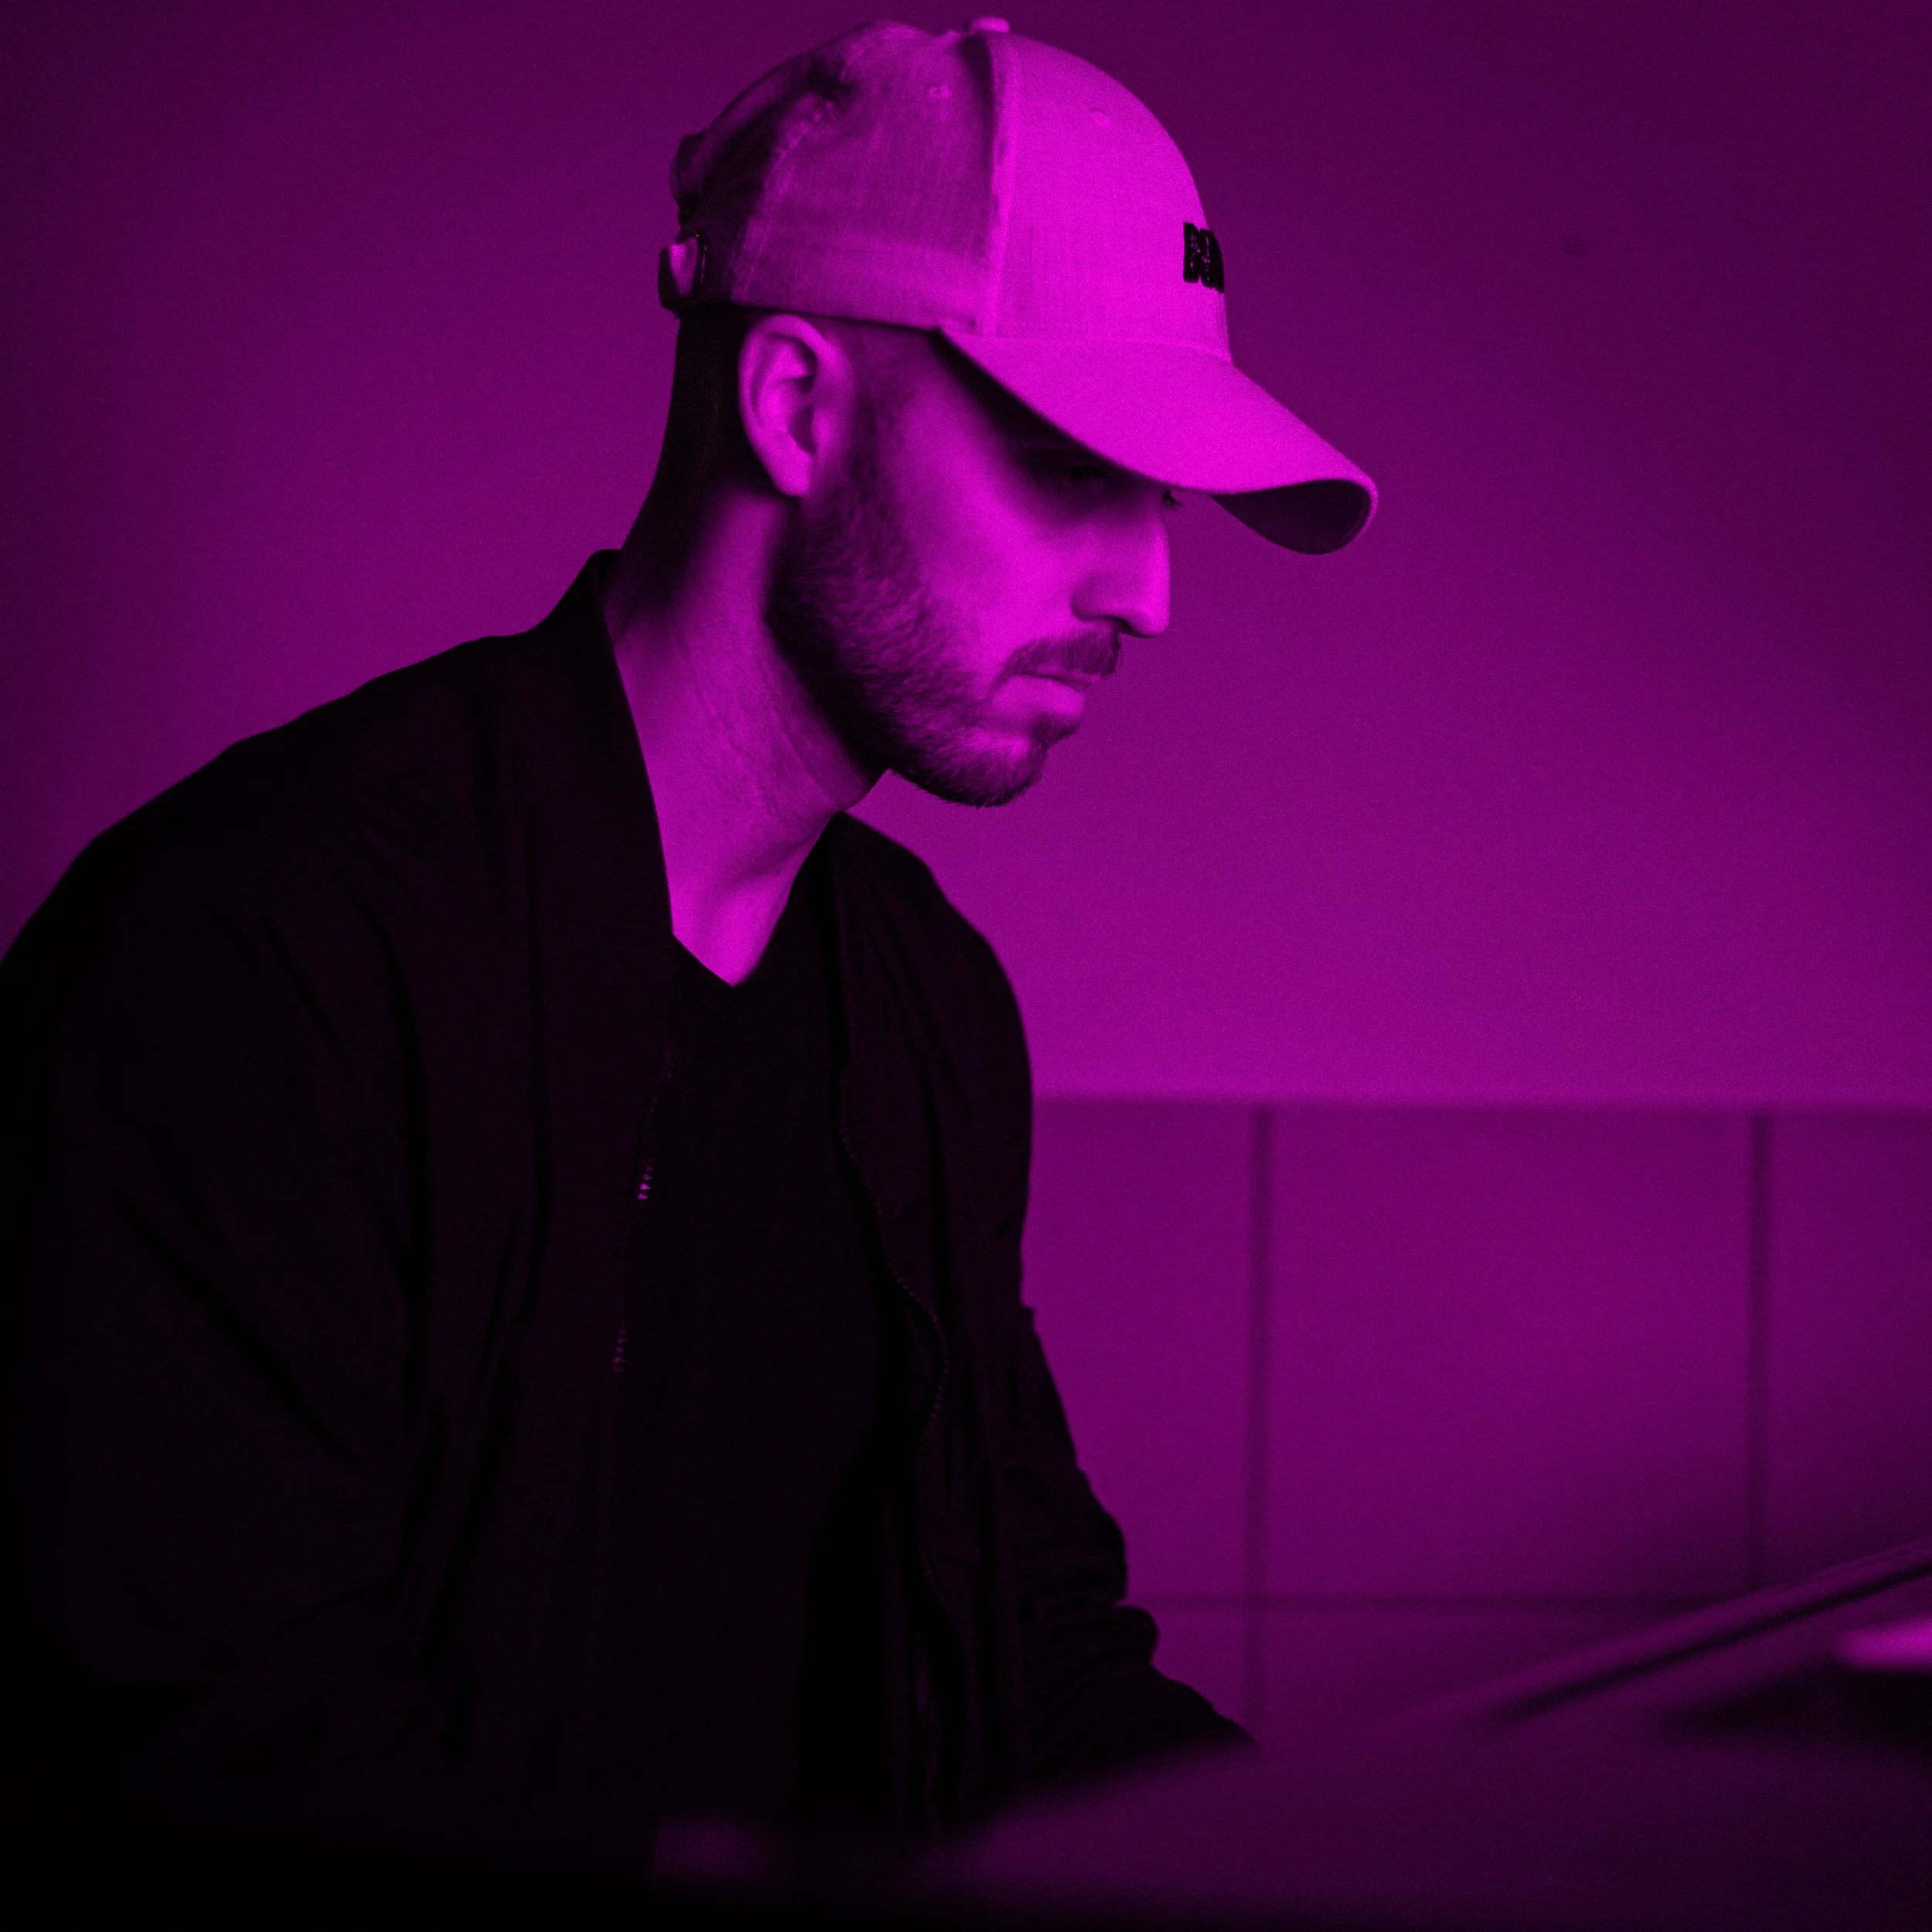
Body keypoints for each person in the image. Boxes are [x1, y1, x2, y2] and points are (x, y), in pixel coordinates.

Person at [1, 15, 1375, 1879]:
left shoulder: (919, 1008)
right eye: (1069, 462)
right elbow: (204, 1763)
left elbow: (1030, 1652)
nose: (1146, 587)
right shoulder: (263, 960)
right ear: (796, 405)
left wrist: (1331, 1860)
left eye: (1165, 500)